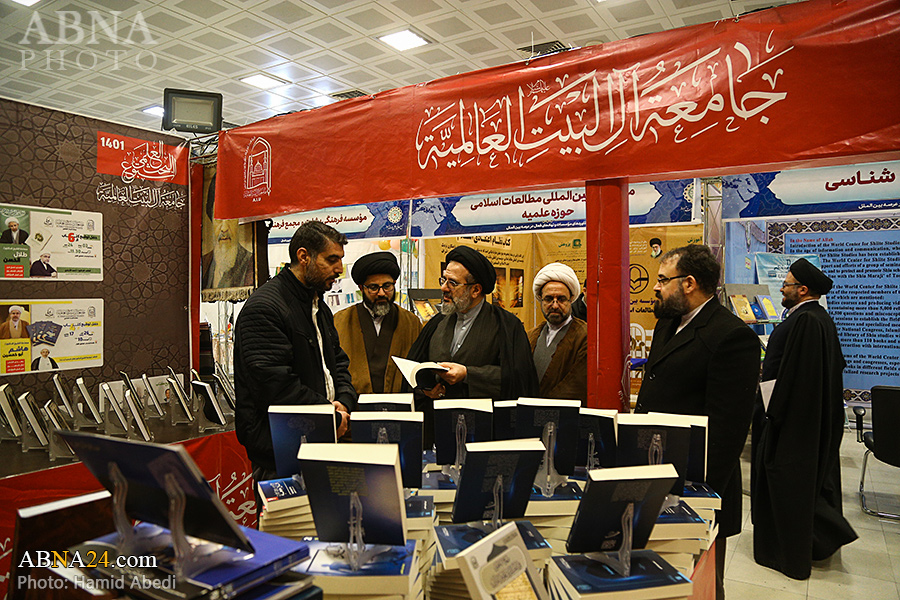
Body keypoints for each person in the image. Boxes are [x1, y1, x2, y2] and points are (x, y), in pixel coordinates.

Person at [633, 244, 760, 600]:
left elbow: (726, 432)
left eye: (663, 280)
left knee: (701, 582)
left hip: (697, 488)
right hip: (655, 474)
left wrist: (696, 498)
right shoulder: (667, 323)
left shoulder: (731, 336)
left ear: (689, 283)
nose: (655, 287)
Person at [752, 258, 856, 580]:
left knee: (789, 487)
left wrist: (772, 413)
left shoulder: (806, 322)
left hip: (791, 426)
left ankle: (788, 554)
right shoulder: (815, 318)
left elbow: (794, 379)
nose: (782, 289)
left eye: (786, 285)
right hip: (800, 421)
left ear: (802, 289)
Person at [233, 221, 357, 492]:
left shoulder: (318, 306)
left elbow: (337, 362)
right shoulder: (265, 308)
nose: (339, 269)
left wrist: (344, 402)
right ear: (304, 257)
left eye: (340, 260)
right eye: (331, 260)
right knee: (288, 520)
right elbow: (275, 386)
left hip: (321, 441)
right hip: (280, 454)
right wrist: (329, 414)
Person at [405, 245, 538, 443]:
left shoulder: (507, 326)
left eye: (452, 283)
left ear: (475, 290)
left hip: (483, 433)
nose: (443, 288)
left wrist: (468, 374)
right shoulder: (436, 323)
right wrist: (425, 389)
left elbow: (517, 378)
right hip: (438, 430)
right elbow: (416, 369)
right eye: (444, 280)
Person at [333, 251, 422, 394]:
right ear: (361, 288)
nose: (381, 293)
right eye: (374, 287)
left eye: (387, 286)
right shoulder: (340, 321)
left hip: (400, 405)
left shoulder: (411, 322)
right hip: (353, 404)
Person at [527, 263, 588, 403]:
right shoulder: (530, 336)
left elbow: (577, 384)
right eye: (549, 299)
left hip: (564, 413)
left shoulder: (585, 336)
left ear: (571, 300)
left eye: (561, 299)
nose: (555, 305)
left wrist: (543, 407)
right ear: (541, 300)